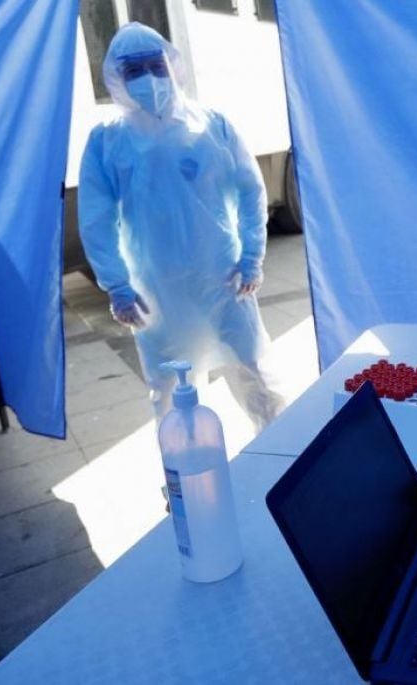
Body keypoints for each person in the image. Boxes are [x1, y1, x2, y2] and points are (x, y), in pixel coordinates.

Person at [79, 23, 284, 428]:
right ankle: (186, 464)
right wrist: (117, 285)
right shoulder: (107, 142)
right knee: (171, 393)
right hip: (156, 289)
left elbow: (250, 190)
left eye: (156, 66)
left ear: (172, 66)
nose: (149, 79)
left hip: (223, 277)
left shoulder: (212, 125)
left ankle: (280, 450)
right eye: (134, 70)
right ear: (116, 78)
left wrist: (251, 257)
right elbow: (96, 220)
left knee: (254, 372)